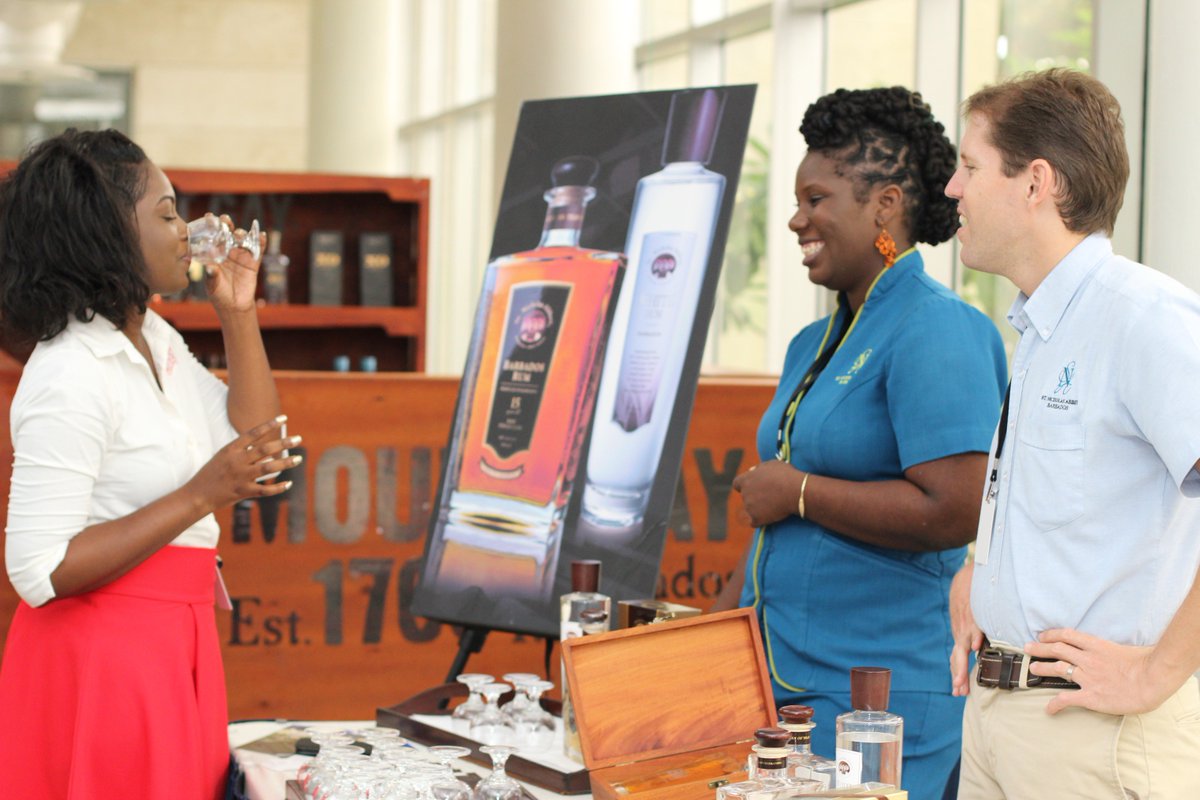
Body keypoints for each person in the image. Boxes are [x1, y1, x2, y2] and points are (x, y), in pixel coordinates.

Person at [714, 87, 1007, 799]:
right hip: (782, 690)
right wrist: (712, 634)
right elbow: (777, 530)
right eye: (797, 201)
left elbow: (956, 509)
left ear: (885, 205)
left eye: (816, 199)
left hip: (879, 705)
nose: (797, 219)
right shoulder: (809, 343)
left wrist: (799, 492)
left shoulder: (939, 328)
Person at [0, 129, 299, 800]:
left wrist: (238, 312)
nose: (187, 232)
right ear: (105, 232)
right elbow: (38, 569)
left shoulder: (154, 339)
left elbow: (260, 445)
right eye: (166, 215)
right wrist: (200, 495)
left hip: (175, 639)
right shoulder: (70, 370)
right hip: (103, 658)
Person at [945, 68, 1200, 798]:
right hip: (1000, 717)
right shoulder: (1043, 327)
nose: (953, 189)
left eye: (970, 167)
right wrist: (986, 570)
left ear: (1036, 183)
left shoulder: (1142, 318)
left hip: (1094, 734)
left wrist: (1157, 671)